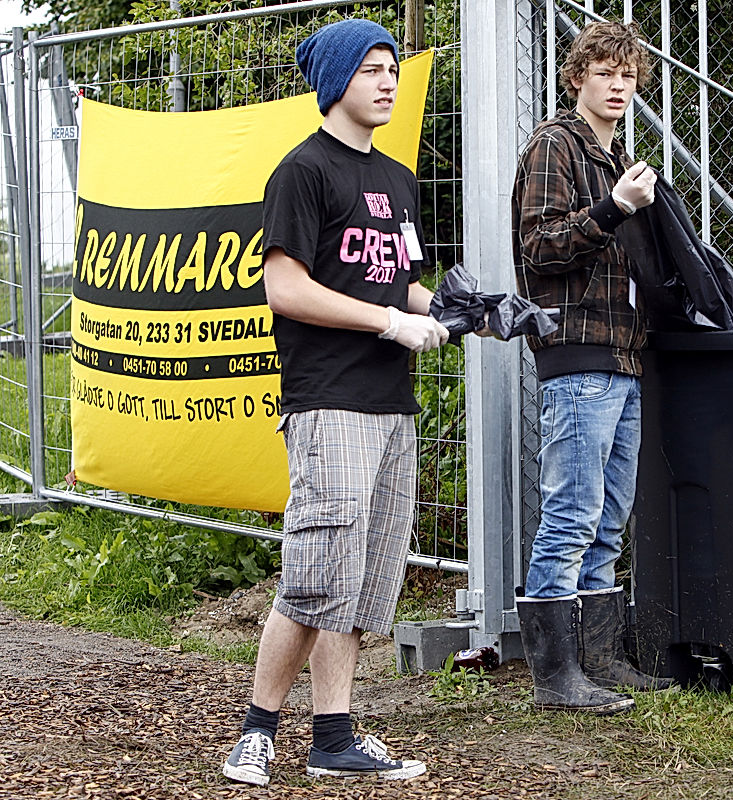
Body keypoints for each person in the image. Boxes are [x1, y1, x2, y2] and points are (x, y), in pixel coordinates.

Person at [221, 19, 450, 786]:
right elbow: (284, 287)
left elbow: (404, 282)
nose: (387, 81)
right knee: (316, 574)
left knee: (366, 583)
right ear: (336, 82)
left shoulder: (396, 178)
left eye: (391, 68)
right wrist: (390, 321)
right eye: (370, 69)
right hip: (330, 401)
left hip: (391, 405)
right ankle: (256, 732)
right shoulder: (303, 171)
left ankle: (334, 737)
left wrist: (458, 309)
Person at [511, 19, 671, 715]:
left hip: (625, 357)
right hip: (577, 358)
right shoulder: (556, 146)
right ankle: (556, 677)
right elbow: (539, 249)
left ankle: (602, 661)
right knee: (571, 514)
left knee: (610, 517)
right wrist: (612, 210)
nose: (617, 85)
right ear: (577, 77)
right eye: (604, 72)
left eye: (627, 75)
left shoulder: (619, 159)